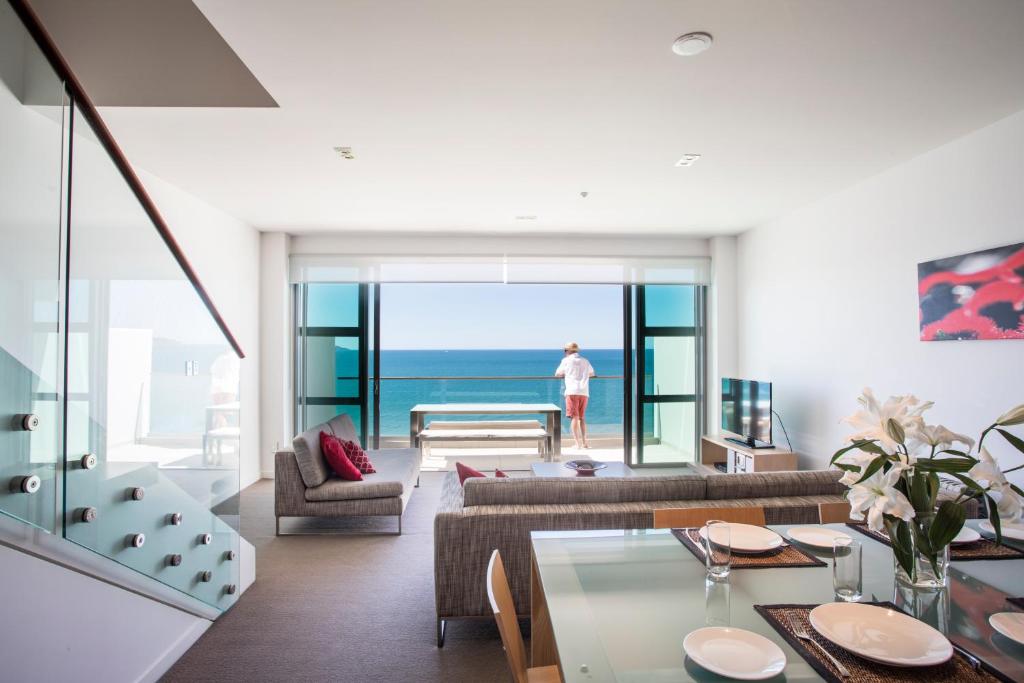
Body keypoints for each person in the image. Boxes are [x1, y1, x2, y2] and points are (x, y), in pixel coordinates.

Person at [554, 342, 596, 450]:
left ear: (567, 351)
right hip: (584, 391)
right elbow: (592, 373)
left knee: (574, 418)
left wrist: (566, 374)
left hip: (572, 391)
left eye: (564, 351)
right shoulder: (585, 361)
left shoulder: (566, 361)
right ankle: (585, 443)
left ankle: (577, 444)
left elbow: (557, 374)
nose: (564, 353)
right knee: (581, 418)